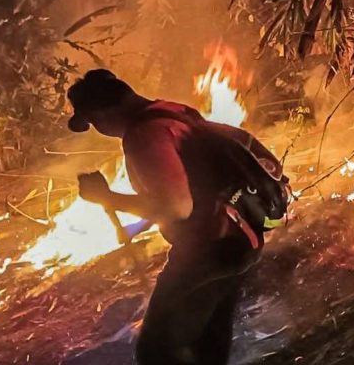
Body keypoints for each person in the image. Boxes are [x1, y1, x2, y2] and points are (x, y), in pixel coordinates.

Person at [67, 69, 282, 365]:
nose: (98, 129)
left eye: (92, 123)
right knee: (207, 344)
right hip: (241, 238)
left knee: (158, 352)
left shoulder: (144, 136)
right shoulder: (174, 111)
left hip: (207, 251)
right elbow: (226, 154)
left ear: (100, 117)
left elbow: (178, 207)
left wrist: (108, 198)